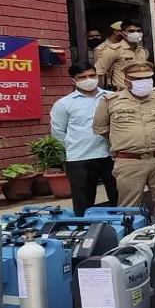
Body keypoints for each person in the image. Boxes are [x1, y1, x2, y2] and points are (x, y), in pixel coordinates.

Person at [92, 62, 155, 217]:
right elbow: (102, 129)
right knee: (128, 206)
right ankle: (131, 231)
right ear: (127, 81)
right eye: (138, 79)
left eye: (147, 78)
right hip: (129, 161)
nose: (143, 82)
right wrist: (129, 141)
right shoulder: (110, 101)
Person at [50, 62, 117, 215]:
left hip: (111, 155)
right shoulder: (64, 104)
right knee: (83, 203)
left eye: (92, 75)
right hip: (80, 159)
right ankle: (83, 228)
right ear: (73, 80)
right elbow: (58, 132)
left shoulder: (111, 97)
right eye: (83, 77)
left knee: (119, 197)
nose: (89, 80)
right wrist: (76, 144)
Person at [94, 19, 148, 89]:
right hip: (121, 92)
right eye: (131, 31)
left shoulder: (143, 51)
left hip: (141, 90)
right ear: (123, 33)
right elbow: (98, 73)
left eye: (138, 31)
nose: (136, 33)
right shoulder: (113, 50)